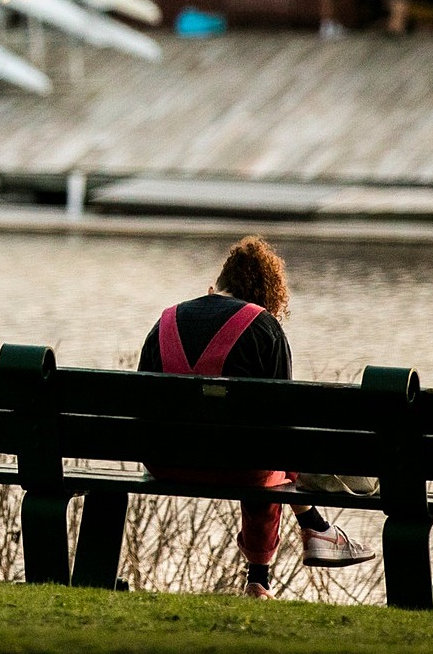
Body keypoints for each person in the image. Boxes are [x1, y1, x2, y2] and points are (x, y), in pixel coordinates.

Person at [139, 237, 377, 598]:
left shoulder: (165, 321)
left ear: (215, 287)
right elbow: (280, 426)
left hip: (165, 463)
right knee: (267, 451)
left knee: (262, 447)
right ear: (265, 298)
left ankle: (313, 532)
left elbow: (140, 407)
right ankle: (265, 574)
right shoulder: (264, 327)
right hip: (242, 468)